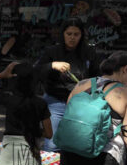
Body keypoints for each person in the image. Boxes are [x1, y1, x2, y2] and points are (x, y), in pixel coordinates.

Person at [38, 19, 98, 150]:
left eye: (76, 34)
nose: (72, 38)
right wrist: (52, 65)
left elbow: (97, 77)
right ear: (63, 34)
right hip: (56, 102)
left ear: (81, 35)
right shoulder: (52, 52)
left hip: (81, 104)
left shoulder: (89, 53)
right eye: (69, 34)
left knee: (77, 144)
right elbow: (36, 72)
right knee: (52, 145)